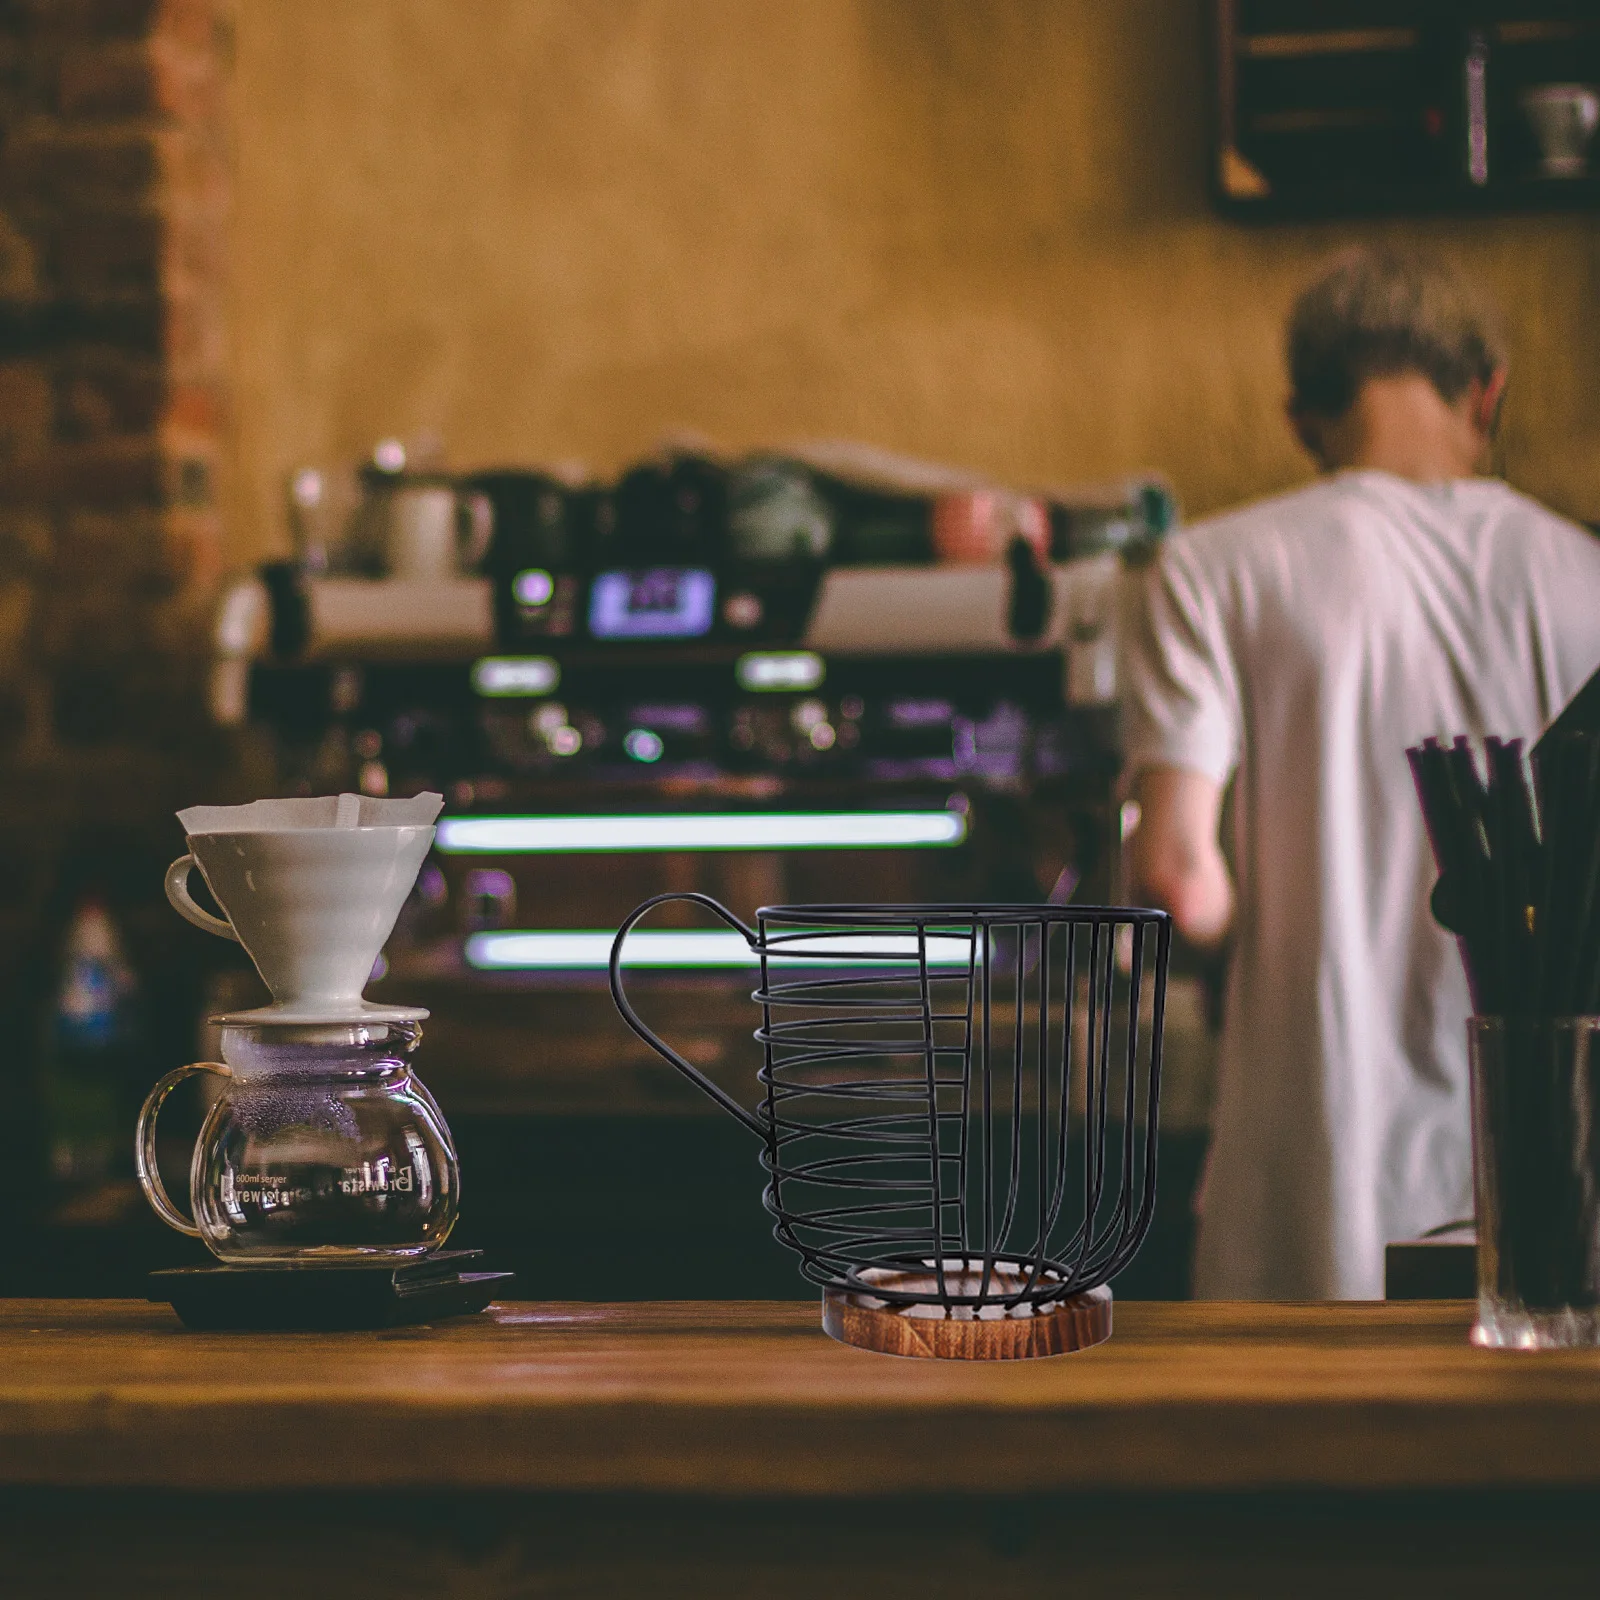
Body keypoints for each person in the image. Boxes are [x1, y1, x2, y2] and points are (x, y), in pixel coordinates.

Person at [1122, 247, 1600, 1300]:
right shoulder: (1586, 573)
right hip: (1552, 1176)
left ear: (1303, 418)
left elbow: (1174, 878)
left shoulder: (1209, 569)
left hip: (1313, 1173)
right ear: (1487, 391)